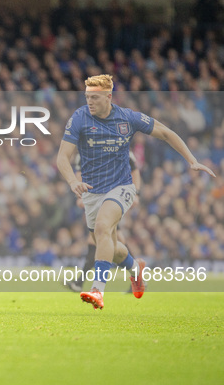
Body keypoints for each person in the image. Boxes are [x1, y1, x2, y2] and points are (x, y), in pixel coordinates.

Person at [56, 74, 215, 310]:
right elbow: (62, 157)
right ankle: (135, 268)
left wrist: (191, 160)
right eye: (87, 97)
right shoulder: (79, 118)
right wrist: (71, 181)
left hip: (122, 187)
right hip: (91, 192)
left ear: (108, 96)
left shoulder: (127, 118)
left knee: (102, 228)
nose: (90, 101)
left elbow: (165, 132)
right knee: (111, 245)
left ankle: (97, 290)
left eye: (95, 97)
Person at [65, 151, 142, 294]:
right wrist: (80, 194)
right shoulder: (82, 153)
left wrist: (136, 193)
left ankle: (88, 285)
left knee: (99, 238)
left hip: (114, 197)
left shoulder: (119, 144)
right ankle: (137, 271)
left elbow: (134, 170)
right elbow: (79, 174)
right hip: (95, 199)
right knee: (114, 244)